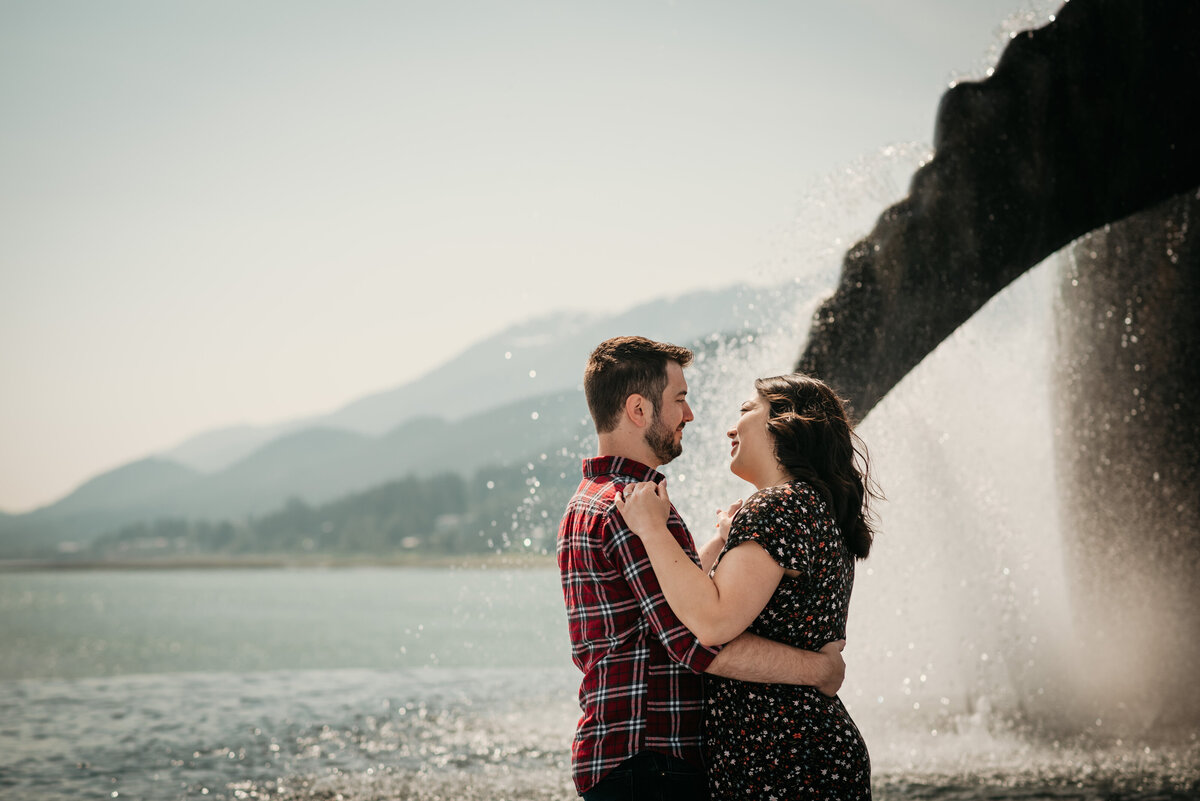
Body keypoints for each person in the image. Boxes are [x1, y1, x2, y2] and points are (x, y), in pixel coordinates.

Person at [558, 336, 848, 800]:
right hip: (651, 761)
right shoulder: (632, 508)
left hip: (630, 757)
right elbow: (696, 641)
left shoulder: (595, 499)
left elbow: (673, 606)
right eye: (680, 400)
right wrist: (819, 670)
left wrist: (717, 545)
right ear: (638, 410)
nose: (690, 415)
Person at [616, 372, 877, 799]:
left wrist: (651, 530)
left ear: (786, 423)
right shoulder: (812, 505)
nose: (730, 427)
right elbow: (695, 601)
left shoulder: (776, 507)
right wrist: (724, 540)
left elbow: (712, 622)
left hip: (783, 758)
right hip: (805, 751)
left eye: (746, 410)